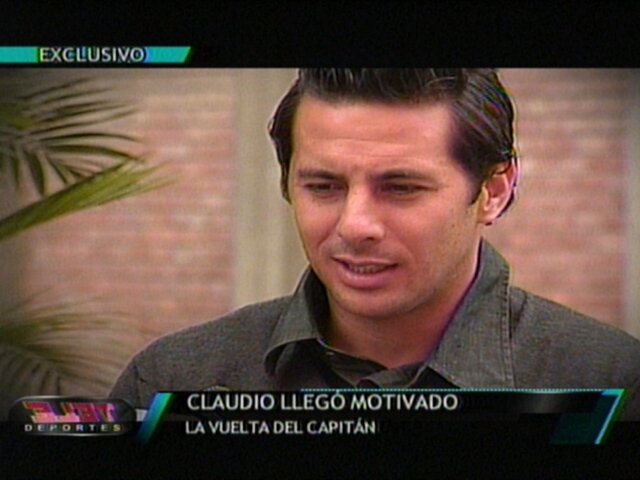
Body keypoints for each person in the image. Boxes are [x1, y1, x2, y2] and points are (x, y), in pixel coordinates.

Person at [110, 69, 640, 420]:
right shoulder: (173, 382)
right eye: (323, 186)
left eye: (401, 188)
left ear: (494, 191)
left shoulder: (611, 386)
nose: (355, 225)